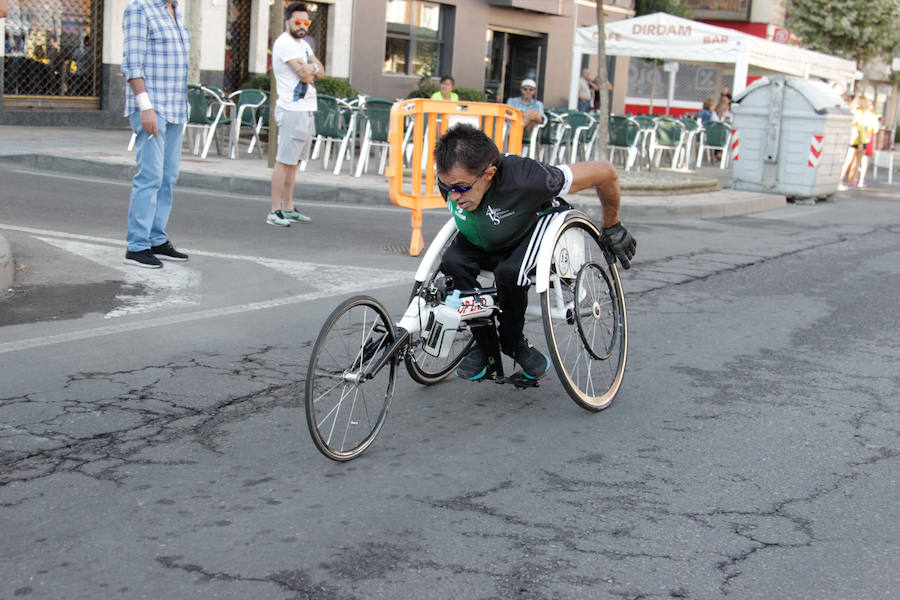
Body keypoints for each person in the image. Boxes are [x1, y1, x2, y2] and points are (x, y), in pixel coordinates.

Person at [434, 124, 636, 381]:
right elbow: (455, 188)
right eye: (446, 185)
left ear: (489, 174)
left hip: (528, 230)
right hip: (482, 236)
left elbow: (605, 172)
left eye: (461, 187)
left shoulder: (529, 178)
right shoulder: (451, 178)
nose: (453, 195)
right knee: (452, 262)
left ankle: (513, 344)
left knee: (510, 273)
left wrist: (612, 223)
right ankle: (486, 348)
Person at [121, 0, 190, 268]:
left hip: (175, 106)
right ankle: (137, 246)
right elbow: (132, 63)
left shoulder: (176, 12)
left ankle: (156, 238)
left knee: (168, 176)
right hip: (153, 106)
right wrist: (145, 107)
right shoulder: (140, 8)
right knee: (150, 176)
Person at [268, 1, 324, 227]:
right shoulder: (285, 44)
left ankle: (288, 206)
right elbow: (305, 75)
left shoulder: (304, 45)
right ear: (288, 21)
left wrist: (311, 68)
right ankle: (274, 210)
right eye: (298, 22)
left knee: (295, 162)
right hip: (292, 110)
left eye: (306, 22)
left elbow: (320, 70)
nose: (302, 26)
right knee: (283, 161)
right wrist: (312, 69)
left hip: (306, 109)